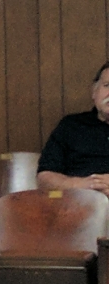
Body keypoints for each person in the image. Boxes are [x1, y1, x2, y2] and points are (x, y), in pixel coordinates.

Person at [37, 61, 109, 197]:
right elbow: (45, 177)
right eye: (107, 85)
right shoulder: (70, 126)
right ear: (94, 92)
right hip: (75, 203)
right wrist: (84, 185)